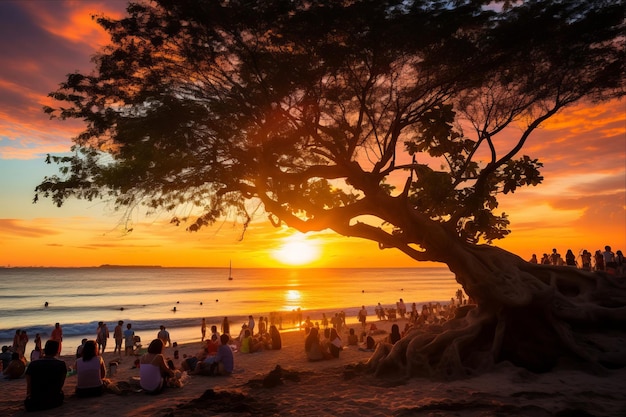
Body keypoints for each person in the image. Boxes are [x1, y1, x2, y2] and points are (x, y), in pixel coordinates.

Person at [24, 340, 67, 412]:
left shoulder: (33, 364)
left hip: (34, 402)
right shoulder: (61, 364)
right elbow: (60, 384)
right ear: (56, 351)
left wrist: (29, 395)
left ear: (45, 350)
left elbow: (29, 385)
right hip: (54, 400)